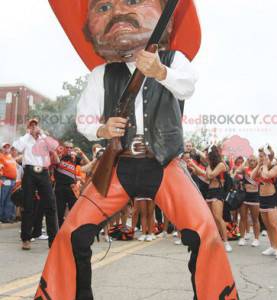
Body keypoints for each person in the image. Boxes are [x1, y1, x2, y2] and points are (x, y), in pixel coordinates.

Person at [35, 1, 238, 300]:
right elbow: (85, 118)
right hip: (119, 166)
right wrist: (103, 130)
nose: (119, 11)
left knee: (206, 234)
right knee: (70, 233)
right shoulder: (101, 73)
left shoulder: (173, 58)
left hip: (165, 164)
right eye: (106, 6)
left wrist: (160, 71)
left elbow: (187, 86)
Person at [13, 118, 59, 250]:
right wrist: (28, 134)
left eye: (35, 125)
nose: (34, 128)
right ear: (28, 127)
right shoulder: (25, 139)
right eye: (31, 125)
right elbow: (17, 146)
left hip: (43, 172)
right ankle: (26, 239)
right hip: (30, 172)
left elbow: (54, 146)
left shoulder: (44, 139)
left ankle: (53, 240)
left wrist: (42, 134)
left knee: (50, 205)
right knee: (28, 206)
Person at [251, 146, 277, 259]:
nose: (259, 158)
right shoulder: (261, 167)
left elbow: (266, 175)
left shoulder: (276, 168)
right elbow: (252, 176)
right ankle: (272, 246)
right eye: (259, 156)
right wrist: (259, 165)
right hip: (262, 198)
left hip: (272, 198)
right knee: (268, 225)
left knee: (274, 225)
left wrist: (264, 165)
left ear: (267, 156)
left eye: (261, 156)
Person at [205, 145, 232, 252]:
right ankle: (216, 240)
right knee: (211, 218)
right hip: (210, 192)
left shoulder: (221, 165)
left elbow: (210, 175)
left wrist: (207, 167)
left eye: (208, 154)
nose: (206, 156)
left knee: (218, 217)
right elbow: (207, 177)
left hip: (218, 192)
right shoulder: (211, 165)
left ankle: (226, 242)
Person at [237, 156, 260, 247]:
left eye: (254, 161)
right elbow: (237, 171)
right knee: (243, 218)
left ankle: (256, 239)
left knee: (255, 219)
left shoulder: (258, 170)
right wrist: (244, 162)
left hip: (255, 197)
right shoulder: (245, 169)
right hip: (245, 197)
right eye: (250, 160)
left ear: (256, 162)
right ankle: (242, 238)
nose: (252, 162)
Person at [0, 142, 17, 223]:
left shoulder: (10, 156)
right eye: (5, 147)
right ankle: (2, 217)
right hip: (5, 180)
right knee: (3, 198)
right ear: (2, 148)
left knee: (10, 199)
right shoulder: (0, 156)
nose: (7, 148)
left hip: (13, 180)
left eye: (8, 147)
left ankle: (7, 217)